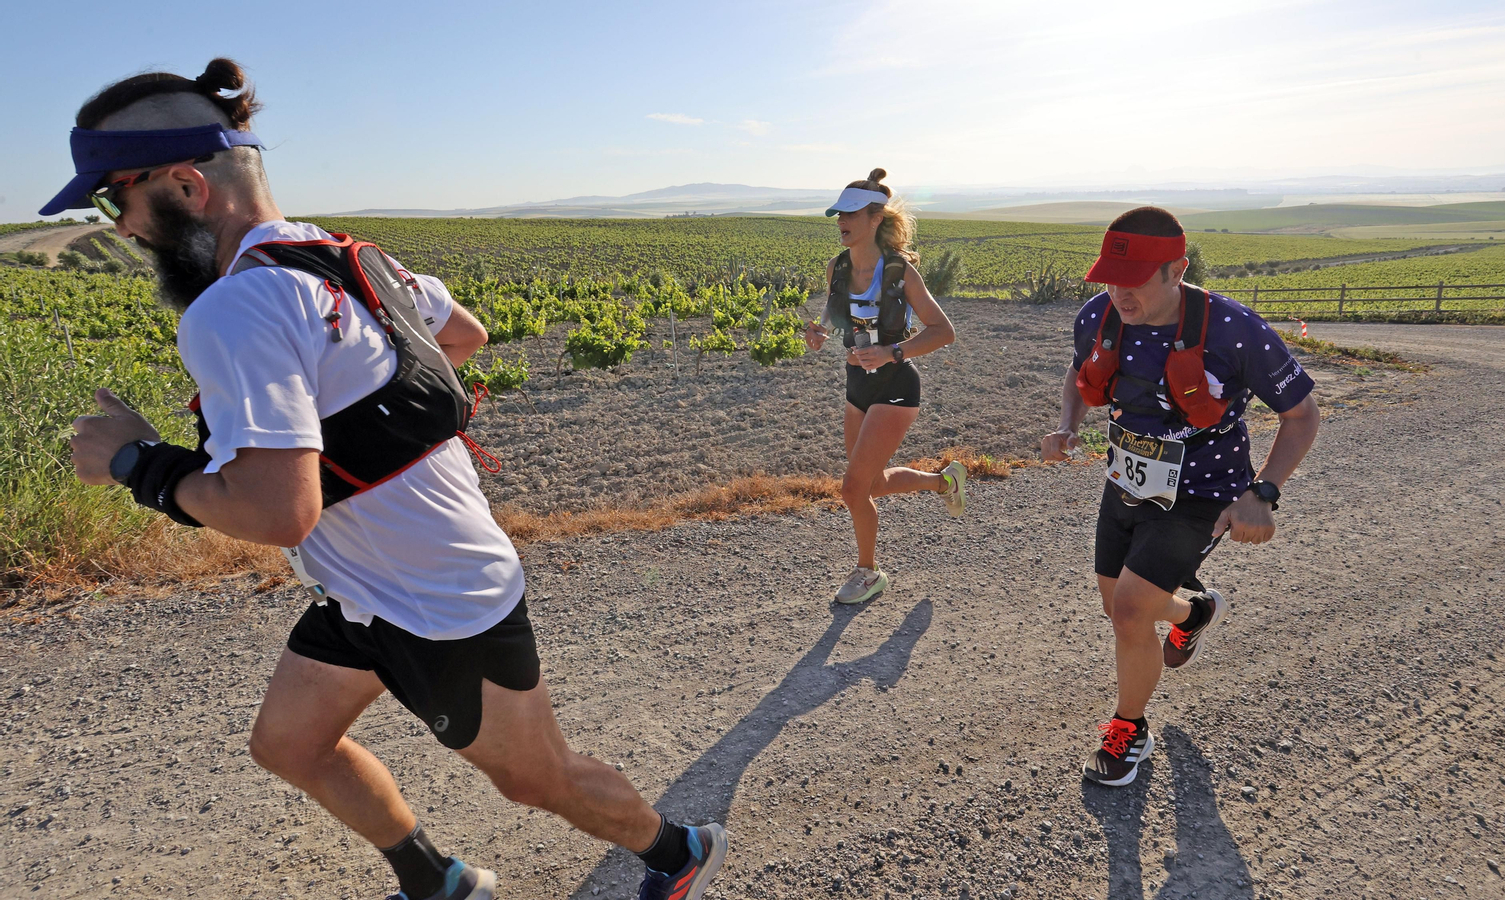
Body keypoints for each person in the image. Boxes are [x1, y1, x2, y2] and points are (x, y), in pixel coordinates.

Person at [59, 60, 725, 900]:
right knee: (288, 744)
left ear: (187, 186)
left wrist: (137, 463)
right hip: (364, 587)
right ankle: (438, 881)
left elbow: (279, 511)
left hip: (440, 599)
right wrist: (367, 423)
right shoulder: (346, 257)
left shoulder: (232, 307)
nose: (122, 229)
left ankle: (677, 850)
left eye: (116, 200)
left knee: (537, 779)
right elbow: (467, 335)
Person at [1041, 207, 1320, 787]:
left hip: (1202, 491)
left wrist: (1262, 492)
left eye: (1136, 279)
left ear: (1177, 270)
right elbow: (1078, 373)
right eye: (1111, 278)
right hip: (1126, 480)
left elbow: (1300, 415)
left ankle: (1128, 731)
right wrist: (1068, 423)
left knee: (1130, 611)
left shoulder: (1233, 329)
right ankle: (1194, 611)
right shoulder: (1099, 316)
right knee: (1121, 606)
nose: (1120, 293)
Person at [800, 169, 965, 605]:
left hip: (895, 387)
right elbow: (837, 318)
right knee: (869, 486)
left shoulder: (900, 272)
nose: (841, 221)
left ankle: (868, 573)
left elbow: (943, 331)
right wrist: (819, 333)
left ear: (875, 218)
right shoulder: (837, 268)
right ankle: (942, 483)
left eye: (850, 213)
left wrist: (895, 353)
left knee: (852, 489)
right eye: (838, 213)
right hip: (857, 386)